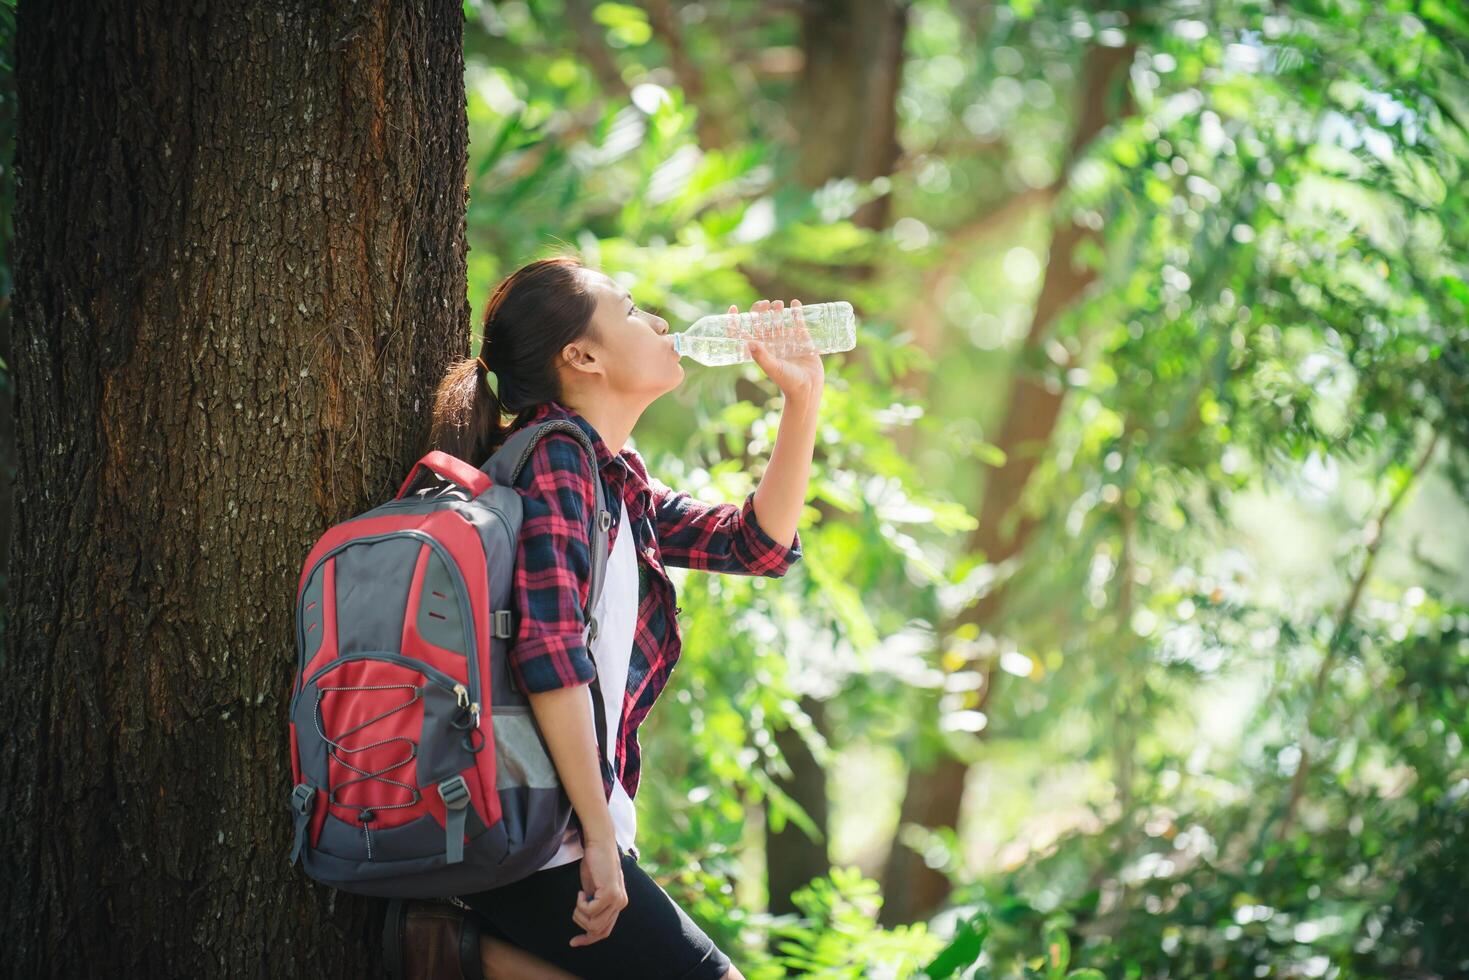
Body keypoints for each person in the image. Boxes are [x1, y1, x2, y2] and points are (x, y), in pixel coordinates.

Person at [416, 253, 823, 979]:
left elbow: (755, 543)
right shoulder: (557, 463)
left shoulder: (611, 476)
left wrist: (801, 398)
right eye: (633, 310)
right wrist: (598, 837)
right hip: (543, 827)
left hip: (553, 824)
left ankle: (458, 960)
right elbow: (549, 653)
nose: (660, 322)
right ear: (582, 355)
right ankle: (460, 961)